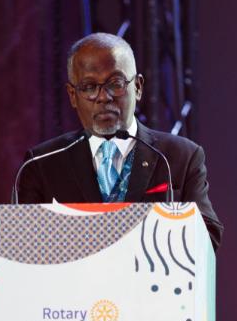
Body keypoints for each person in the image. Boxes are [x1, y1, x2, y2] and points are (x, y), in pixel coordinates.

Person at [16, 32, 223, 250]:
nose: (103, 97)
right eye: (89, 87)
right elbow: (23, 246)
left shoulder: (179, 157)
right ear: (72, 96)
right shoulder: (42, 163)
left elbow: (208, 236)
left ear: (138, 87)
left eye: (116, 83)